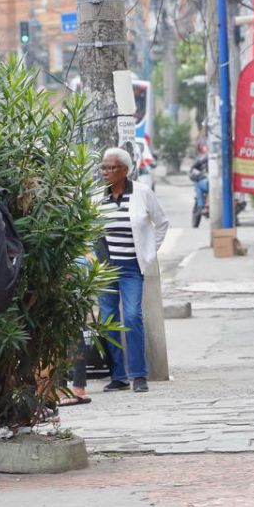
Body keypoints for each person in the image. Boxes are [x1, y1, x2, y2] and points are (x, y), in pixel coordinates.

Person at [97, 148, 169, 393]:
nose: (105, 172)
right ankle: (118, 376)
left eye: (111, 167)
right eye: (104, 167)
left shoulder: (141, 193)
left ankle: (138, 375)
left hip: (131, 267)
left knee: (131, 317)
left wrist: (150, 252)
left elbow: (162, 223)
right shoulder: (97, 196)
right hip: (105, 268)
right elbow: (89, 228)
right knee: (107, 320)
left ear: (124, 171)